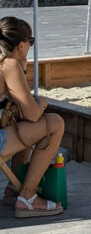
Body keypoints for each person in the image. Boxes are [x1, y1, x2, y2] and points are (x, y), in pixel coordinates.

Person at [0, 17, 65, 217]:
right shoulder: (8, 64)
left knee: (23, 123)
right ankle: (27, 196)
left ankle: (14, 188)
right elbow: (33, 114)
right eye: (31, 42)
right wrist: (41, 104)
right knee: (54, 123)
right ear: (21, 45)